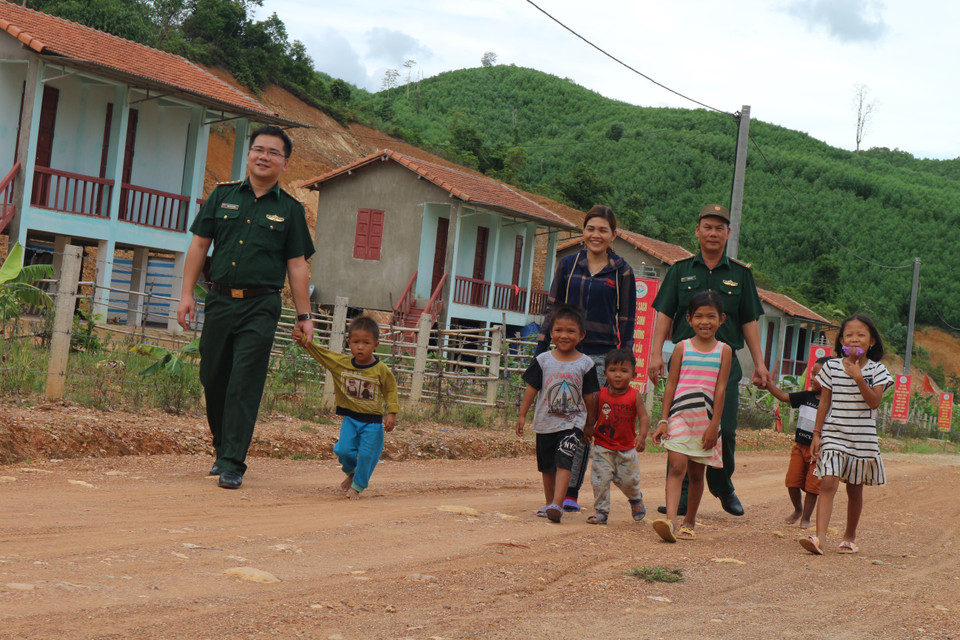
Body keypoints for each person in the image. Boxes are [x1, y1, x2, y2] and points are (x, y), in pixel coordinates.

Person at [177, 125, 315, 490]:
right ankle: (223, 448)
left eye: (273, 152)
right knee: (213, 375)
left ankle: (233, 462)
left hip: (261, 305)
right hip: (219, 300)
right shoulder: (221, 197)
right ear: (249, 154)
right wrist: (186, 294)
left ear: (285, 163)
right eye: (258, 149)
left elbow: (297, 266)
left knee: (245, 381)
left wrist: (305, 317)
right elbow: (198, 246)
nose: (264, 156)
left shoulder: (290, 210)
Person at [648, 204, 768, 516]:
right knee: (681, 428)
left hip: (723, 362)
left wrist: (759, 362)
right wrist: (654, 355)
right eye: (708, 227)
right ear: (698, 231)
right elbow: (663, 314)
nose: (713, 233)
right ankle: (682, 497)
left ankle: (722, 485)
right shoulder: (680, 271)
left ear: (728, 233)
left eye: (719, 228)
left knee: (724, 429)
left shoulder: (741, 275)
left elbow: (749, 322)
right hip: (685, 362)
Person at [536, 205, 636, 514]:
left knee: (584, 423)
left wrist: (623, 361)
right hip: (565, 354)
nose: (596, 234)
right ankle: (559, 490)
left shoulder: (621, 270)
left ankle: (572, 492)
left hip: (601, 354)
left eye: (603, 230)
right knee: (560, 418)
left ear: (613, 235)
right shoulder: (568, 264)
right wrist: (541, 352)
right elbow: (552, 308)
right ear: (584, 231)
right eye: (591, 228)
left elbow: (627, 318)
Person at [800, 315, 892, 555]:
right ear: (841, 340)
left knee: (854, 487)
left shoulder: (878, 370)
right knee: (828, 481)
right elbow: (824, 404)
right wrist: (817, 434)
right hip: (834, 433)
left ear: (871, 341)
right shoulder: (830, 366)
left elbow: (874, 403)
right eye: (849, 335)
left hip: (862, 438)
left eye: (861, 335)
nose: (854, 339)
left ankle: (849, 537)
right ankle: (819, 538)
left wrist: (858, 378)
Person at [651, 291, 732, 542]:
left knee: (697, 474)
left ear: (722, 319)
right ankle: (670, 521)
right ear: (688, 319)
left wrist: (714, 425)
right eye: (698, 316)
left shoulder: (724, 350)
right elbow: (672, 384)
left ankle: (690, 522)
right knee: (676, 465)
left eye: (711, 316)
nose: (704, 321)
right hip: (680, 416)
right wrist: (664, 419)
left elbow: (720, 389)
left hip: (705, 420)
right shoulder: (681, 347)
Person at [294, 316, 399, 499]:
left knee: (367, 456)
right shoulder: (341, 363)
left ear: (376, 344)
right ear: (349, 342)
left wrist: (392, 412)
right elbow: (322, 354)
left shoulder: (381, 370)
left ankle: (357, 486)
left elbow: (390, 390)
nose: (360, 347)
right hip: (350, 419)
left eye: (366, 343)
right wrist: (304, 340)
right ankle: (352, 472)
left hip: (372, 423)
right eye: (356, 342)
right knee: (342, 450)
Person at [517, 304, 599, 523]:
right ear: (551, 332)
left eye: (571, 331)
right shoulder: (543, 360)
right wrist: (522, 415)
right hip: (545, 422)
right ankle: (549, 503)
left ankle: (557, 503)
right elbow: (531, 389)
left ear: (581, 335)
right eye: (559, 330)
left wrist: (590, 422)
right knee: (547, 466)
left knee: (564, 460)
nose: (564, 335)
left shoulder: (586, 364)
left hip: (573, 423)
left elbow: (590, 396)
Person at [586, 349, 650, 525]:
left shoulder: (634, 396)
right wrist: (588, 429)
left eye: (624, 371)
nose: (618, 375)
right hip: (603, 446)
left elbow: (644, 417)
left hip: (626, 449)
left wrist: (642, 436)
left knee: (629, 481)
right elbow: (593, 415)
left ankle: (635, 498)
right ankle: (601, 511)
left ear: (633, 374)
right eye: (613, 370)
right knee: (600, 480)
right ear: (605, 373)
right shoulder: (601, 394)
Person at [766, 356, 831, 529]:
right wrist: (767, 383)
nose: (811, 377)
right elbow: (783, 396)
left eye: (817, 374)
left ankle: (806, 518)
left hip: (818, 452)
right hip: (799, 447)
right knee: (792, 481)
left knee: (812, 487)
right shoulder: (806, 396)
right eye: (812, 373)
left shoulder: (833, 405)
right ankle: (798, 509)